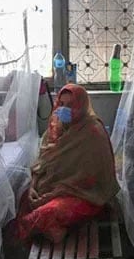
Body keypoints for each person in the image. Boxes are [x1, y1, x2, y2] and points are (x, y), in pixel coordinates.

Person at [11, 83, 119, 244]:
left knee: (46, 213)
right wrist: (33, 187)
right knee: (23, 201)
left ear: (82, 106)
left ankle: (52, 229)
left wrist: (56, 193)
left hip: (85, 195)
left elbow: (93, 179)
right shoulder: (56, 128)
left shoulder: (93, 132)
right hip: (51, 188)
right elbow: (42, 162)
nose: (64, 109)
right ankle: (54, 229)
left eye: (71, 105)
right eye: (61, 104)